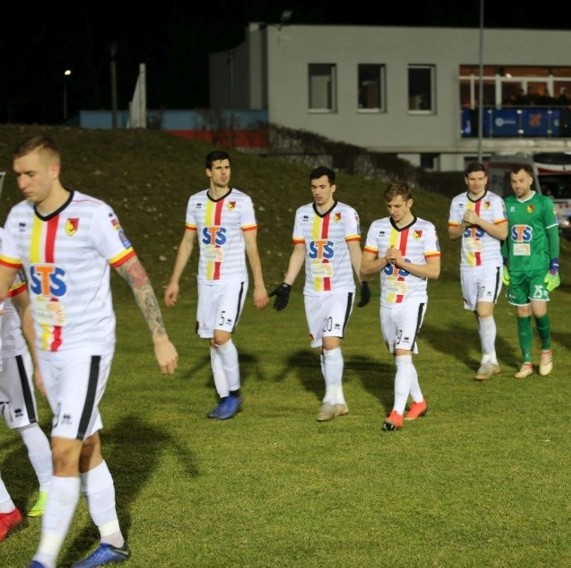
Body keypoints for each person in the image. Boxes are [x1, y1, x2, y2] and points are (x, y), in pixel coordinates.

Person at [0, 135, 178, 568]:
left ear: (54, 170)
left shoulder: (93, 215)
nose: (22, 182)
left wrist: (159, 336)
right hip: (52, 353)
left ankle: (43, 560)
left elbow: (135, 275)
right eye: (18, 174)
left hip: (89, 350)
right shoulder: (19, 219)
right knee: (87, 447)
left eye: (30, 174)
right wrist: (41, 363)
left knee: (63, 450)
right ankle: (113, 540)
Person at [164, 150, 268, 420]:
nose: (224, 172)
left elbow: (251, 244)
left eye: (227, 167)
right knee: (213, 342)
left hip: (233, 279)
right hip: (205, 281)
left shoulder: (242, 202)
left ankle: (234, 395)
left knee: (222, 337)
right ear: (208, 171)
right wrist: (174, 280)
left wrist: (259, 284)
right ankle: (224, 400)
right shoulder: (196, 202)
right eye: (219, 168)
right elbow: (187, 242)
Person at [268, 166, 370, 422]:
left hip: (339, 289)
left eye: (323, 187)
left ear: (333, 187)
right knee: (323, 349)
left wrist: (364, 282)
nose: (318, 192)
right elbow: (299, 252)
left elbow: (355, 249)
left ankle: (328, 400)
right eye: (314, 187)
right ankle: (340, 402)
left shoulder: (346, 214)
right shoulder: (302, 214)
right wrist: (287, 284)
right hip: (313, 292)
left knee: (331, 342)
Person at [361, 183, 440, 431]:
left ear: (409, 203)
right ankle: (418, 401)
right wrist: (385, 259)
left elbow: (434, 271)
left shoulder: (425, 229)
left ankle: (395, 413)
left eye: (397, 205)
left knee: (404, 351)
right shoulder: (378, 227)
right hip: (387, 301)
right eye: (389, 206)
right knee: (398, 354)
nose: (393, 210)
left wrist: (403, 263)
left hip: (412, 300)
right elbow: (364, 268)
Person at [447, 161, 508, 381]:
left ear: (486, 179)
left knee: (484, 311)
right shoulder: (458, 202)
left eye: (480, 179)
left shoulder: (494, 201)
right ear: (466, 180)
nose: (476, 183)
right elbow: (452, 234)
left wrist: (478, 220)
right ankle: (491, 359)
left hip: (490, 264)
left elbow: (502, 233)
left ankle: (488, 361)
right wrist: (464, 224)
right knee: (478, 313)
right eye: (472, 179)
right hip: (468, 265)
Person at [501, 163, 561, 379]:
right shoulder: (506, 204)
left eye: (521, 181)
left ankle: (546, 350)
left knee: (538, 311)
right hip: (516, 269)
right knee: (521, 312)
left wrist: (554, 264)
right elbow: (503, 235)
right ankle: (526, 361)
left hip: (538, 267)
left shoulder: (543, 203)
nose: (517, 185)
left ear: (530, 180)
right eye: (513, 181)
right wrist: (504, 260)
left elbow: (553, 235)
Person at [0, 274, 53, 520]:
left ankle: (51, 489)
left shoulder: (2, 247)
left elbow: (24, 305)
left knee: (25, 424)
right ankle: (5, 509)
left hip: (10, 356)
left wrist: (40, 361)